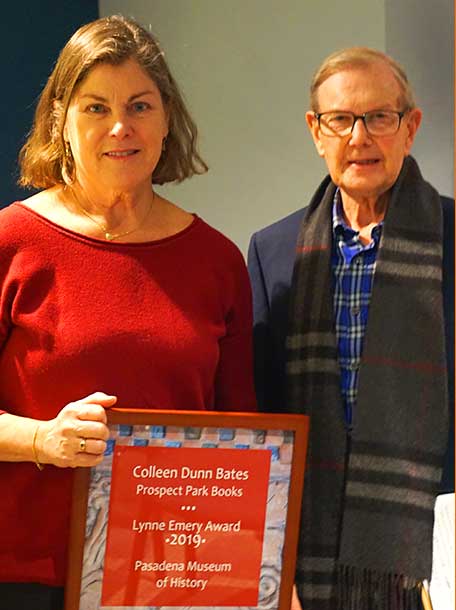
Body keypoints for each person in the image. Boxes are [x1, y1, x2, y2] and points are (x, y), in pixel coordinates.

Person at [0, 16, 255, 609]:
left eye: (140, 106)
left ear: (167, 120)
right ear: (60, 121)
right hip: (28, 579)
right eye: (95, 108)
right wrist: (44, 439)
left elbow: (244, 436)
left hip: (176, 581)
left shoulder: (217, 260)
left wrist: (261, 574)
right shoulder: (11, 242)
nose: (120, 127)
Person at [247, 47, 454, 610]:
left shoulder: (454, 239)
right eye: (341, 120)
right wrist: (269, 559)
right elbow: (265, 416)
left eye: (379, 118)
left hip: (431, 546)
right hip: (309, 545)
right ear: (317, 132)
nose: (359, 137)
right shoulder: (273, 251)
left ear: (410, 128)